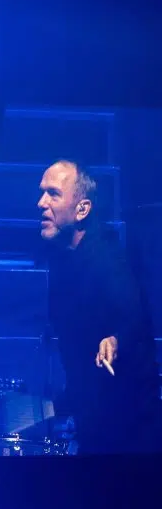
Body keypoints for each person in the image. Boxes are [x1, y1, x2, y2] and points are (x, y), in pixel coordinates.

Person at [38, 160, 160, 453]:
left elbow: (135, 315)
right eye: (42, 193)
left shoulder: (106, 259)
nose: (41, 203)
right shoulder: (65, 259)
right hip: (96, 420)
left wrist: (115, 339)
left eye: (53, 194)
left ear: (82, 209)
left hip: (128, 434)